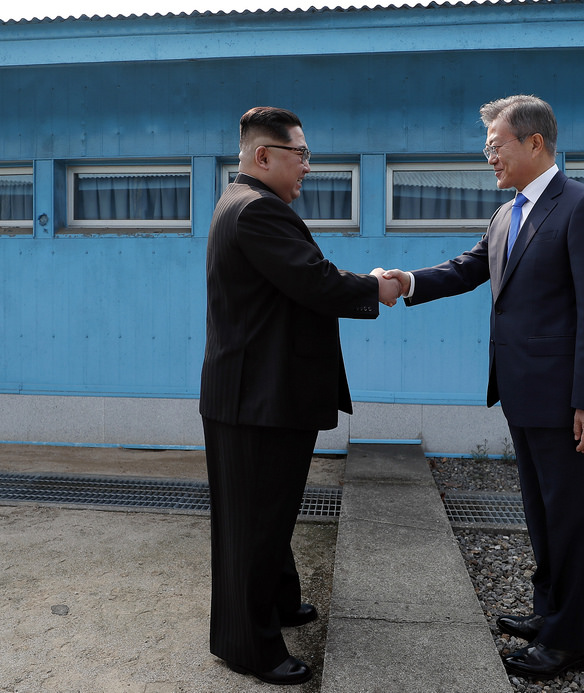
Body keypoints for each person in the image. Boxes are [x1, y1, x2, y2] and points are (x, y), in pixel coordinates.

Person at [382, 94, 584, 679]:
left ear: (534, 143)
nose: (489, 158)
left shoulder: (583, 207)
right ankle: (549, 614)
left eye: (496, 147)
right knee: (543, 515)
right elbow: (468, 268)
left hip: (570, 400)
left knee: (571, 519)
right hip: (524, 395)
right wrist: (406, 281)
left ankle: (567, 642)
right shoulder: (506, 215)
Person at [199, 106, 400, 685]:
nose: (308, 166)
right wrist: (376, 288)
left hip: (259, 394)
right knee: (253, 527)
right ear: (264, 156)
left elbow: (298, 283)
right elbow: (315, 281)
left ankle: (282, 602)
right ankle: (247, 646)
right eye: (301, 155)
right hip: (257, 401)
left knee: (272, 514)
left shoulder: (243, 204)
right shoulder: (258, 211)